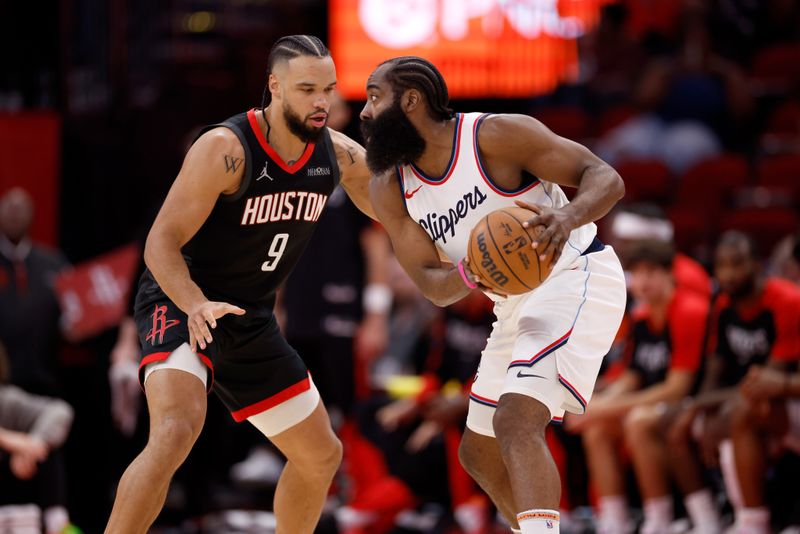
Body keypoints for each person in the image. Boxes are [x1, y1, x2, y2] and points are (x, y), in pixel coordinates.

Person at [105, 35, 375, 534]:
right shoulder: (224, 149)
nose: (322, 101)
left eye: (329, 89)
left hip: (249, 314)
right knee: (175, 431)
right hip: (181, 298)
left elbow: (399, 210)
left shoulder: (337, 154)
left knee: (320, 456)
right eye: (308, 88)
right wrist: (195, 304)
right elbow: (159, 245)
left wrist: (459, 248)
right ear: (274, 86)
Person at [361, 56, 628, 534]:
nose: (364, 111)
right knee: (477, 452)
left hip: (576, 274)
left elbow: (606, 177)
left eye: (374, 96)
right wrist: (469, 273)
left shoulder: (495, 136)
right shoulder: (390, 189)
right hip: (513, 306)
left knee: (515, 420)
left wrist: (567, 217)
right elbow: (430, 284)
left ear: (412, 101)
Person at [567, 240, 708, 534]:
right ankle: (614, 520)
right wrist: (591, 407)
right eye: (637, 273)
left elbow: (676, 388)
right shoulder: (642, 316)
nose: (642, 281)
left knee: (638, 422)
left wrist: (605, 406)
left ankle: (662, 519)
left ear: (670, 274)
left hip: (695, 400)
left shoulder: (689, 311)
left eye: (650, 272)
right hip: (657, 402)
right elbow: (633, 375)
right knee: (597, 429)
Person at [666, 231, 800, 534]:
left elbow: (767, 381)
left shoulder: (786, 300)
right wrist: (697, 406)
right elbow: (715, 370)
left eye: (737, 264)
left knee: (741, 416)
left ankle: (753, 521)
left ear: (757, 264)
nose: (728, 274)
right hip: (744, 398)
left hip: (775, 404)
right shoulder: (723, 305)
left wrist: (715, 410)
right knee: (677, 426)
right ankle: (707, 522)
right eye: (721, 266)